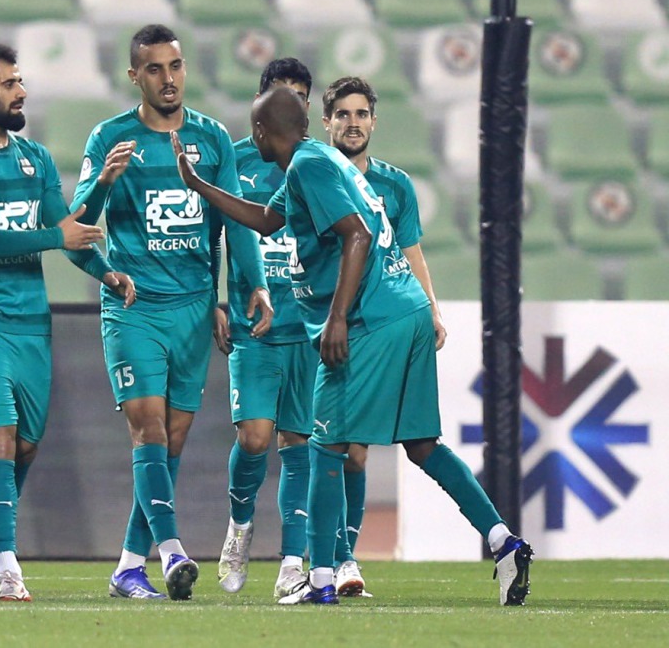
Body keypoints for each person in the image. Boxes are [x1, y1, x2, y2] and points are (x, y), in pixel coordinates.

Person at [173, 87, 533, 607]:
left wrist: (337, 317)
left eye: (256, 128)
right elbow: (266, 220)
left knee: (323, 448)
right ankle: (504, 544)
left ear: (263, 132)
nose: (253, 136)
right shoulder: (316, 159)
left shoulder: (308, 169)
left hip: (371, 320)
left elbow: (357, 235)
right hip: (406, 310)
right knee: (423, 444)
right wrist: (198, 183)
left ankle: (320, 581)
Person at [71, 24, 272, 601]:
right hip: (134, 310)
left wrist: (248, 288)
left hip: (191, 312)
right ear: (134, 76)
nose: (168, 78)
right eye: (154, 69)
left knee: (172, 443)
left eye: (175, 66)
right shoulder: (110, 138)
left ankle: (129, 567)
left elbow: (234, 222)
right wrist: (105, 183)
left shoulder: (211, 141)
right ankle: (172, 551)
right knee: (148, 429)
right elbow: (76, 228)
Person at [0, 41, 135, 602]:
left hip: (30, 324)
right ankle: (7, 567)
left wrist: (107, 272)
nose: (21, 92)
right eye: (9, 83)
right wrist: (58, 236)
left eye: (21, 82)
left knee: (23, 449)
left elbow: (68, 233)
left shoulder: (36, 158)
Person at [320, 75, 449, 597]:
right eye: (343, 114)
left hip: (368, 328)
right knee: (321, 445)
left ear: (374, 120)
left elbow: (411, 251)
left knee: (352, 450)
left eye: (361, 114)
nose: (353, 123)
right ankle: (312, 560)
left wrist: (433, 310)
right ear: (325, 121)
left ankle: (342, 561)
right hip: (322, 323)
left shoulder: (396, 186)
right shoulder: (314, 176)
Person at [211, 58, 317, 600]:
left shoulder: (320, 165)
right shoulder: (234, 161)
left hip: (308, 330)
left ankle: (293, 562)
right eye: (283, 96)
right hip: (254, 327)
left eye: (301, 98)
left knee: (298, 443)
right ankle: (239, 527)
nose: (291, 107)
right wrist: (214, 297)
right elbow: (210, 231)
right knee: (254, 438)